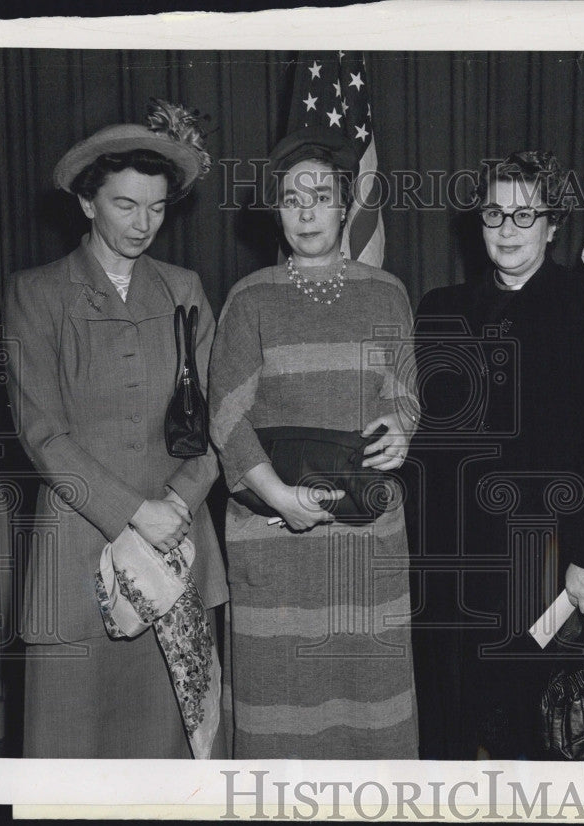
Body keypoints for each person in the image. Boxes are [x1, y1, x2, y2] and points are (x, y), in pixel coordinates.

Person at [2, 100, 229, 758]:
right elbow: (41, 433)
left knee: (168, 756)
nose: (143, 224)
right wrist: (133, 512)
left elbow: (220, 423)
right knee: (71, 752)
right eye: (126, 205)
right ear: (87, 203)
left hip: (177, 551)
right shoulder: (35, 293)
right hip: (74, 553)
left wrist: (178, 503)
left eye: (157, 208)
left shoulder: (186, 289)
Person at [411, 150, 584, 759]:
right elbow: (426, 440)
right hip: (452, 568)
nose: (507, 231)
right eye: (494, 214)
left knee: (540, 739)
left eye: (524, 216)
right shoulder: (440, 309)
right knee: (452, 735)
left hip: (549, 564)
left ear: (552, 223)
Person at [209, 126, 419, 759]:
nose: (306, 211)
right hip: (275, 540)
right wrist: (276, 495)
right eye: (292, 198)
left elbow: (406, 394)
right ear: (276, 208)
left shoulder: (387, 292)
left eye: (320, 195)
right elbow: (225, 415)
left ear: (345, 204)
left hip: (365, 539)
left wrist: (403, 428)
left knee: (370, 711)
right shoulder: (249, 299)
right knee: (280, 715)